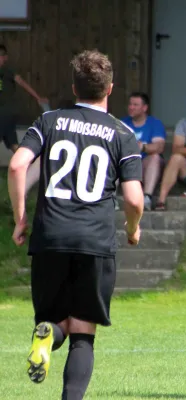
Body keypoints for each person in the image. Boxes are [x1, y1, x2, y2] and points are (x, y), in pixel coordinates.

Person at [7, 50, 144, 400]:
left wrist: (21, 217)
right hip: (94, 241)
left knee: (56, 320)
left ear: (73, 87)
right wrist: (132, 229)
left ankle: (48, 336)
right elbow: (133, 199)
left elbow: (17, 166)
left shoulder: (49, 121)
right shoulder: (122, 133)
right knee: (83, 333)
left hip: (50, 236)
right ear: (110, 88)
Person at [0, 44, 48, 191]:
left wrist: (38, 97)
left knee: (12, 142)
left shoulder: (8, 71)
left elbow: (21, 83)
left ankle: (30, 168)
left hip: (6, 113)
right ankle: (32, 167)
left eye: (1, 56)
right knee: (13, 143)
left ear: (5, 58)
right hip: (4, 114)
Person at [122, 92, 166, 209]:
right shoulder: (122, 123)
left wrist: (143, 147)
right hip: (126, 163)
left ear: (145, 108)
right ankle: (111, 199)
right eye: (130, 104)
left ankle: (147, 197)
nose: (131, 107)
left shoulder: (154, 123)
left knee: (155, 157)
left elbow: (159, 147)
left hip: (144, 163)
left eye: (135, 105)